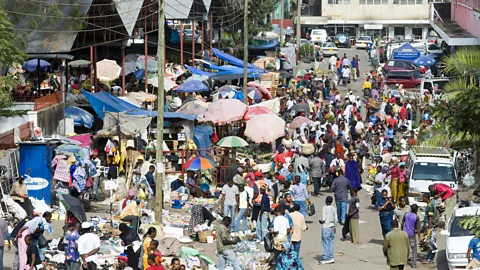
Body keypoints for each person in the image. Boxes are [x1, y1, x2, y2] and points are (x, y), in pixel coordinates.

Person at [319, 196, 337, 264]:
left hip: (326, 227)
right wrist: (335, 227)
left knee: (325, 243)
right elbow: (336, 219)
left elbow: (323, 219)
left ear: (326, 201)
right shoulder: (333, 208)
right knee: (331, 242)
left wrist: (320, 219)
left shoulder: (324, 208)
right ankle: (331, 257)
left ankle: (326, 258)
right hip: (332, 226)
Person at [401, 204, 421, 268]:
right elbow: (418, 228)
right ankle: (414, 264)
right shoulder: (416, 217)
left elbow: (402, 223)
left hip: (404, 233)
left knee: (404, 248)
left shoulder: (406, 214)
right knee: (414, 249)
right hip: (411, 234)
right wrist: (419, 237)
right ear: (416, 209)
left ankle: (403, 261)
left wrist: (402, 231)